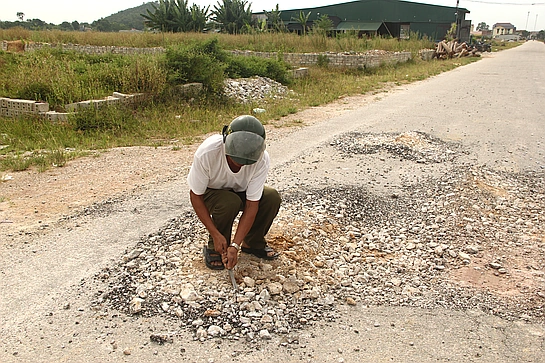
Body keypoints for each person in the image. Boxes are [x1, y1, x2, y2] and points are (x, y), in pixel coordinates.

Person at [187, 115, 281, 270]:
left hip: (240, 191)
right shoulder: (208, 152)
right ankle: (215, 246)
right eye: (234, 160)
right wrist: (215, 234)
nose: (239, 165)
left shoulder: (261, 159)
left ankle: (252, 242)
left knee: (271, 197)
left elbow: (252, 204)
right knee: (229, 202)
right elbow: (195, 195)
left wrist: (235, 245)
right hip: (212, 193)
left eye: (245, 162)